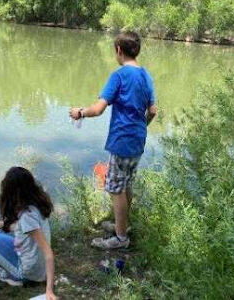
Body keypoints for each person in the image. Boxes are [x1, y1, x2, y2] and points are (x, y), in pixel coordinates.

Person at [69, 31, 159, 250]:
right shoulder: (146, 75)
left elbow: (98, 109)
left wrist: (80, 112)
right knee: (126, 183)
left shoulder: (119, 76)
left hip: (122, 141)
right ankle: (123, 225)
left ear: (119, 50)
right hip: (138, 140)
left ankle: (120, 238)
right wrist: (140, 128)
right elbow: (153, 111)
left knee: (115, 189)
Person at [0, 167, 58, 300]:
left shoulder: (27, 216)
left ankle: (13, 276)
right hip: (36, 267)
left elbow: (48, 252)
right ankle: (14, 271)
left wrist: (49, 290)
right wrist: (1, 225)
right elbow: (24, 228)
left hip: (28, 272)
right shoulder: (35, 205)